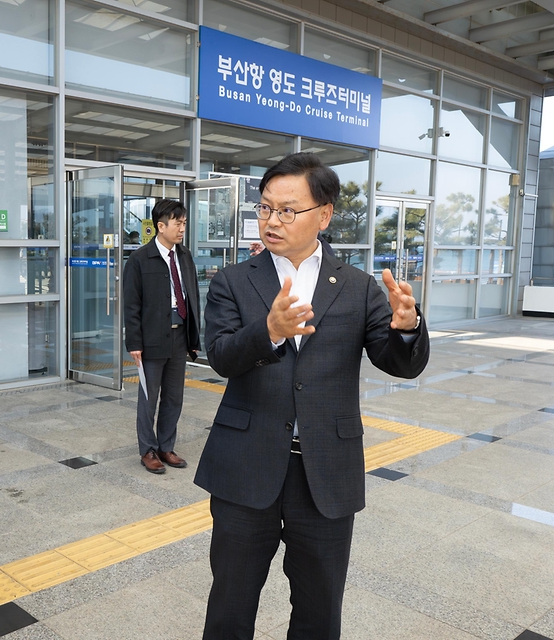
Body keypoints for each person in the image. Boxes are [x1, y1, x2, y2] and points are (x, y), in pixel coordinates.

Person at [195, 153, 429, 639]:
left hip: (325, 472)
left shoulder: (359, 288)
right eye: (264, 208)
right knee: (229, 607)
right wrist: (270, 332)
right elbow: (220, 356)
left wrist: (407, 328)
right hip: (246, 467)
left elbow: (397, 363)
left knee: (320, 613)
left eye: (287, 210)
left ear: (323, 215)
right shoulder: (233, 280)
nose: (272, 220)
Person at [123, 199, 200, 474]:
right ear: (160, 226)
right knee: (148, 398)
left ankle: (166, 446)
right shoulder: (140, 259)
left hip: (179, 338)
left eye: (184, 223)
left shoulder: (185, 256)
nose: (182, 228)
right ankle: (148, 450)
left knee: (174, 397)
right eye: (177, 223)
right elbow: (131, 304)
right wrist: (134, 342)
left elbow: (192, 297)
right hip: (152, 338)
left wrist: (194, 337)